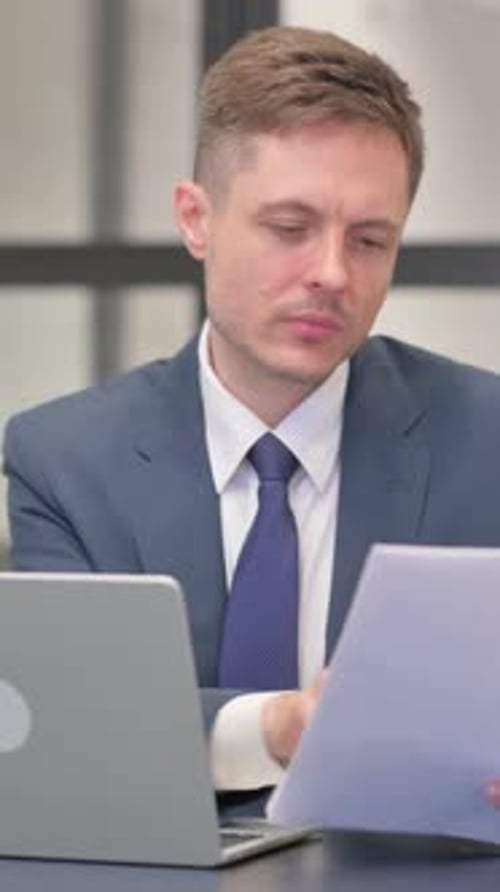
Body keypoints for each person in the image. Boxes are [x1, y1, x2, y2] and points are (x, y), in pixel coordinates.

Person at [4, 25, 500, 816]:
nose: (333, 274)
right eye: (289, 229)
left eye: (370, 240)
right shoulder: (64, 458)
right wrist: (274, 728)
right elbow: (70, 731)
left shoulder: (487, 441)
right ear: (195, 220)